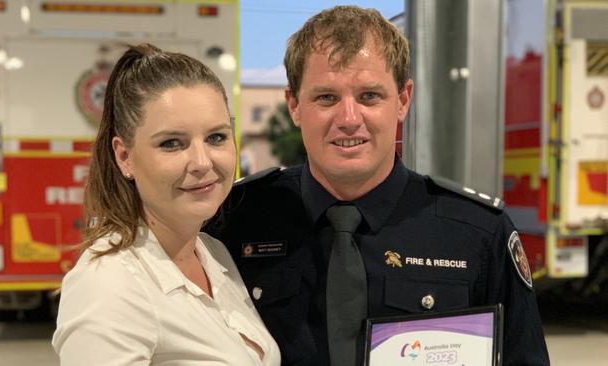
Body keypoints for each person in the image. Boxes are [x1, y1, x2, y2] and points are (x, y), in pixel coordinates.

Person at [206, 6, 549, 366]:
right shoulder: (234, 221)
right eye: (327, 98)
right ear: (293, 105)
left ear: (403, 100)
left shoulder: (477, 233)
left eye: (369, 96)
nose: (349, 119)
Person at [52, 44, 280, 365]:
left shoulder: (214, 253)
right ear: (124, 157)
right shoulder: (107, 285)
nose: (202, 162)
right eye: (172, 143)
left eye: (216, 137)